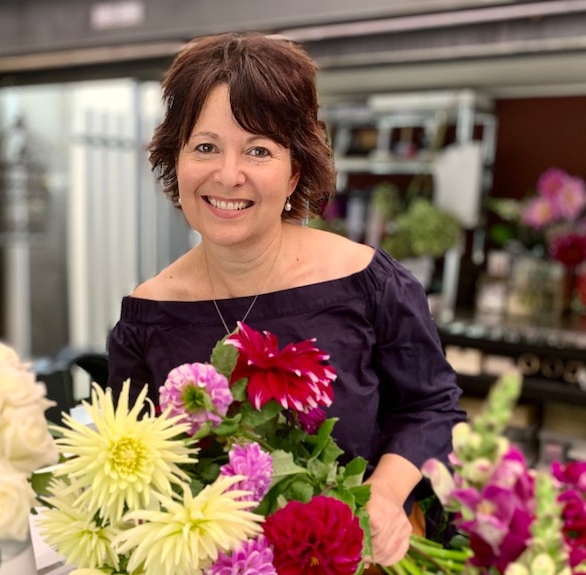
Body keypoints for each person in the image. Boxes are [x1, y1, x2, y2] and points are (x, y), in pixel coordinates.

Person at [106, 31, 465, 566]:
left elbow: (431, 408)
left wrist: (385, 497)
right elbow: (131, 460)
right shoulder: (149, 314)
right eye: (205, 147)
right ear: (174, 160)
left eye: (258, 149)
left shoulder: (368, 282)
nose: (228, 174)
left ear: (295, 169)